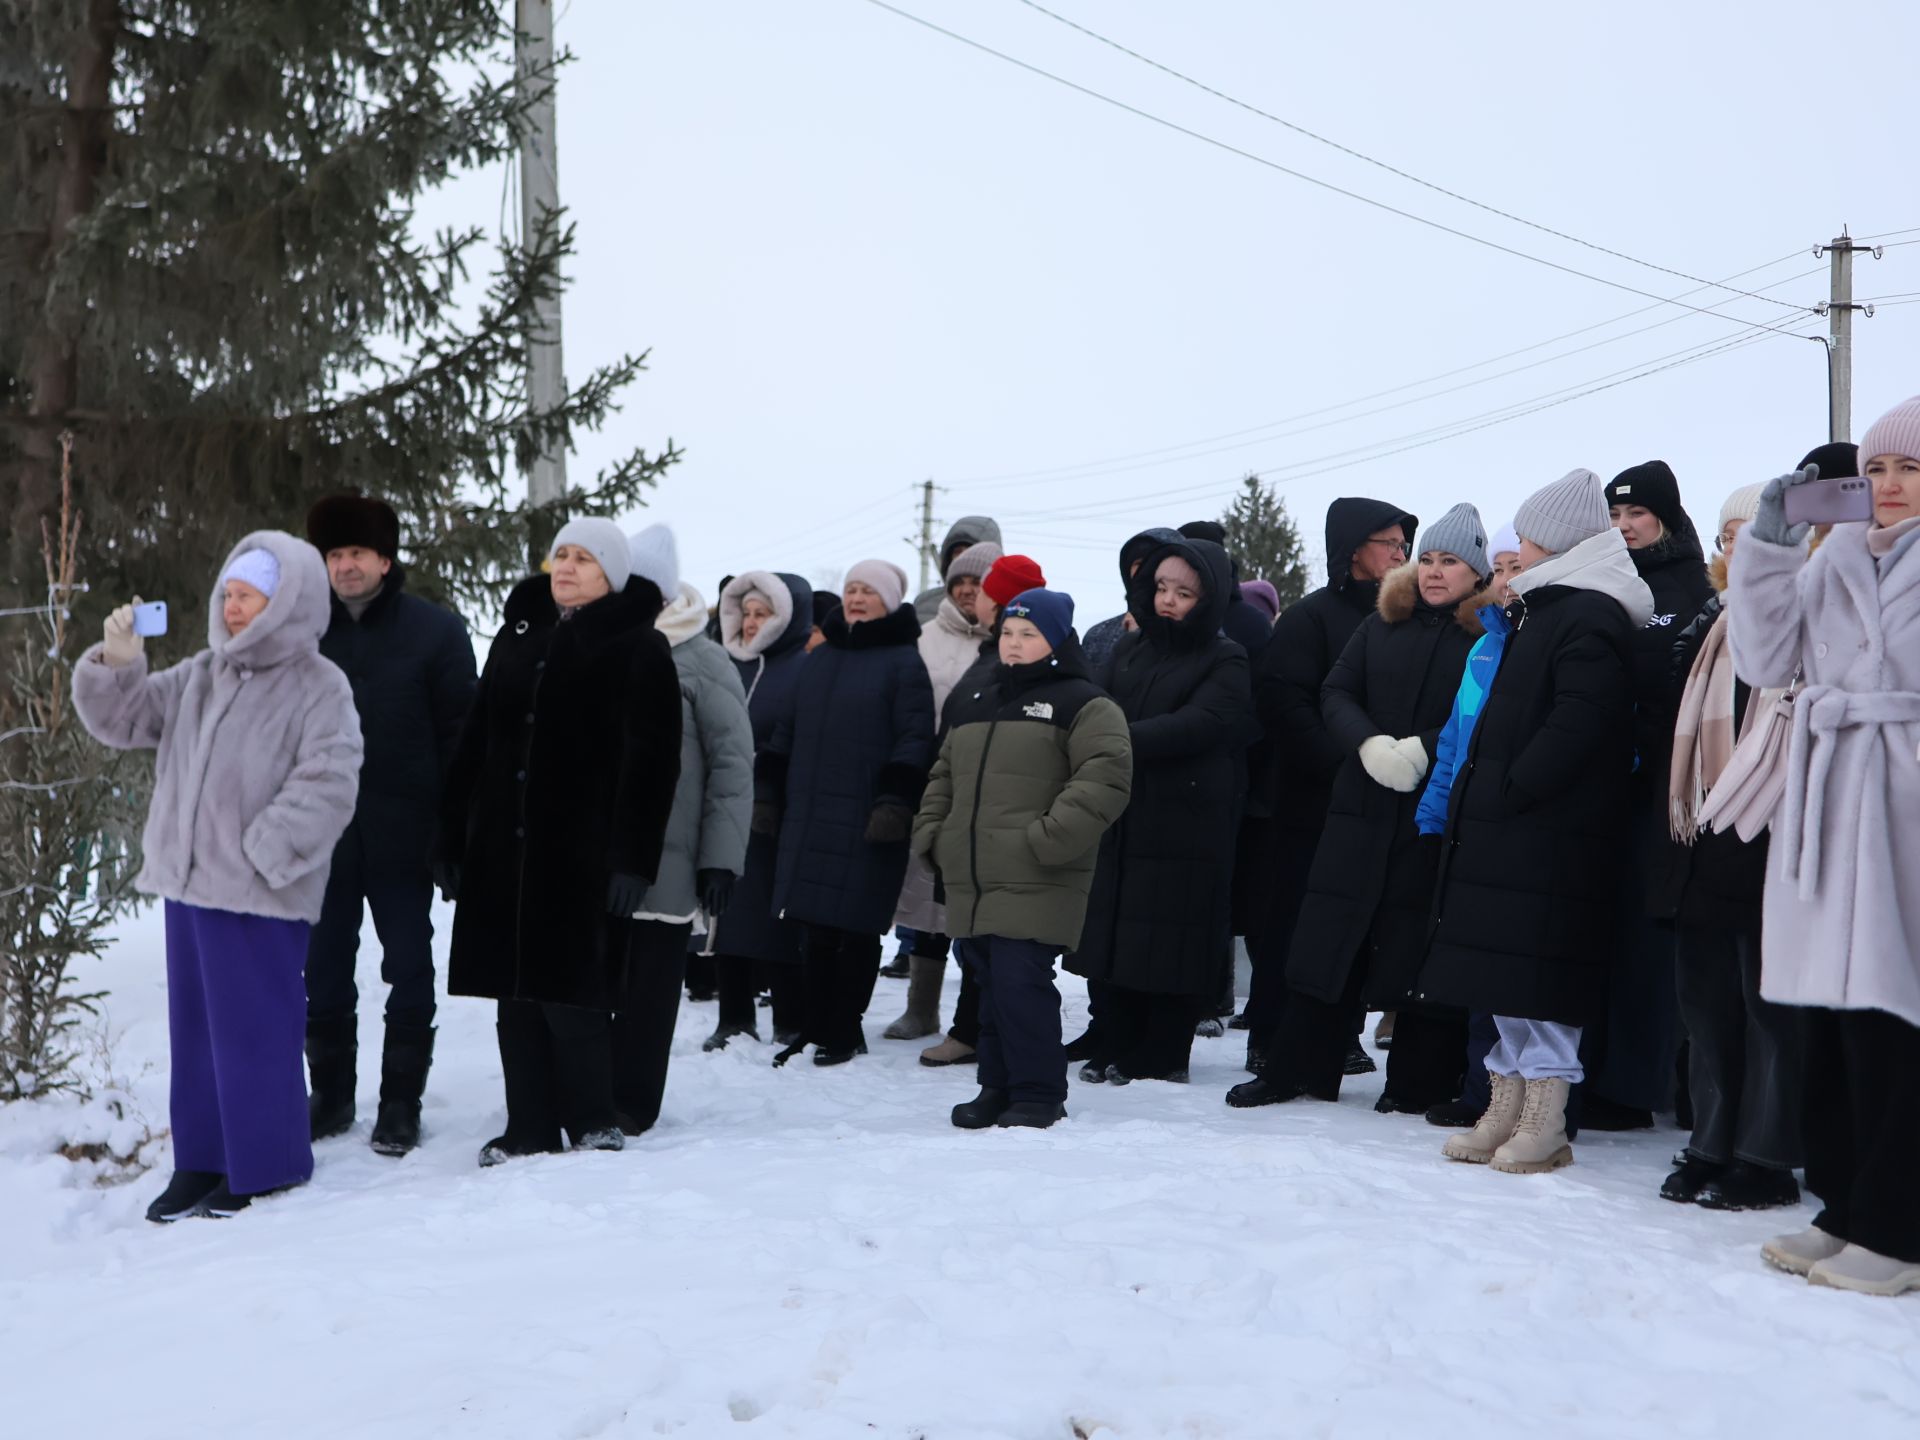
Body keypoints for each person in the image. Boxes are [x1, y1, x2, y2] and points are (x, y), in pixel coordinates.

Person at [74, 533, 363, 1221]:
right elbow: (126, 719)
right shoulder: (203, 673)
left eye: (247, 596)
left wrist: (262, 853)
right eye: (228, 595)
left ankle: (267, 1163)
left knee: (256, 1033)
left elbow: (331, 780)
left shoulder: (320, 685)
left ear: (285, 601)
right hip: (191, 888)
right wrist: (118, 662)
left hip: (261, 892)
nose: (233, 609)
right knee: (199, 1035)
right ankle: (203, 1159)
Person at [1733, 401, 1920, 1296]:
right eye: (1877, 472)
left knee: (1898, 1024)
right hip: (1833, 802)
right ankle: (1847, 1206)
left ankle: (1898, 1229)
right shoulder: (1836, 556)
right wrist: (1768, 552)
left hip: (1907, 811)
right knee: (1833, 1020)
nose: (1888, 489)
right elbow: (1766, 661)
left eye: (1909, 472)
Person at [1421, 468, 1652, 1174]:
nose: (1518, 547)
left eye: (1528, 534)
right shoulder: (1545, 610)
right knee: (1507, 976)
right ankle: (1505, 1104)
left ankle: (1544, 1118)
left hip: (1550, 833)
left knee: (1543, 978)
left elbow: (1581, 719)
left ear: (1555, 540)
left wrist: (1518, 787)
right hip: (1513, 828)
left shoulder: (1588, 613)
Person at [435, 518, 683, 1167]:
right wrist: (451, 838)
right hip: (502, 849)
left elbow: (653, 766)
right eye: (561, 556)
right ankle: (529, 1126)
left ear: (613, 575)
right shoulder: (517, 636)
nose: (567, 567)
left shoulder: (638, 646)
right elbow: (476, 740)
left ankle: (593, 1119)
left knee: (572, 995)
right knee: (514, 998)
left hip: (581, 854)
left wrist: (634, 859)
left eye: (584, 559)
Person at [1228, 505, 1490, 1111]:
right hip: (1359, 803)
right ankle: (1297, 1068)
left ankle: (1417, 1082)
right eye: (1426, 558)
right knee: (1327, 936)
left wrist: (1423, 750)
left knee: (1416, 944)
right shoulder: (1380, 623)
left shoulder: (1484, 634)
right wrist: (1368, 744)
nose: (1431, 571)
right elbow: (1335, 690)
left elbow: (1481, 711)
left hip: (1431, 809)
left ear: (1474, 573)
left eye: (1448, 562)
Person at [916, 588, 1133, 1129]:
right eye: (1008, 633)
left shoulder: (1086, 703)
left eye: (1029, 634)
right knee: (988, 984)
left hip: (1039, 872)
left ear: (1056, 641)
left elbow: (1106, 776)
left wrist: (1047, 839)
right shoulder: (975, 698)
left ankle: (1038, 1093)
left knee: (1020, 982)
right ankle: (996, 1086)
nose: (1014, 644)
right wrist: (934, 835)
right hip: (975, 872)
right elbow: (943, 774)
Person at [301, 493, 477, 1158]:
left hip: (407, 837)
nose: (346, 566)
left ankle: (401, 1102)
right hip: (322, 840)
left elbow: (464, 738)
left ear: (385, 559)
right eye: (335, 555)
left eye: (357, 554)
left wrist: (454, 834)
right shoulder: (302, 635)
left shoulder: (435, 632)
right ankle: (332, 1096)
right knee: (321, 970)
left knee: (409, 967)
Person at [1653, 481, 1803, 1211]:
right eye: (1729, 536)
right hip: (1704, 834)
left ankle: (1765, 1155)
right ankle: (1711, 1140)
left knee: (1767, 1004)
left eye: (1754, 533)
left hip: (1775, 833)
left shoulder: (1806, 619)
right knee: (1706, 1002)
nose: (1739, 547)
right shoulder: (1712, 626)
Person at [1239, 498, 1417, 1076]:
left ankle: (1339, 1034)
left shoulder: (1405, 616)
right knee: (1292, 924)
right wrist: (1340, 762)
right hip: (1312, 803)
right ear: (1352, 549)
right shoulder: (1309, 618)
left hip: (1381, 800)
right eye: (1387, 543)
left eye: (1402, 543)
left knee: (1357, 930)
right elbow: (1283, 703)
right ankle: (1271, 1033)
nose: (1400, 554)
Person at [1067, 536, 1253, 1083]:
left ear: (1211, 597)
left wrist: (1115, 739)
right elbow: (1095, 707)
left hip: (1186, 819)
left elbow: (1204, 723)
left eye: (1185, 592)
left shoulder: (1226, 656)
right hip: (1125, 812)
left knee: (1171, 937)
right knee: (1120, 929)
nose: (1169, 600)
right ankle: (1117, 1038)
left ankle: (1164, 1052)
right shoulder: (1130, 649)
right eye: (1162, 588)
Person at [760, 560, 935, 1066]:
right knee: (814, 923)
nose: (856, 598)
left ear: (892, 602)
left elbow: (914, 737)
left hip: (865, 816)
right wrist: (769, 793)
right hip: (810, 812)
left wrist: (894, 803)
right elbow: (786, 730)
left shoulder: (904, 661)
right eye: (851, 590)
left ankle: (845, 1027)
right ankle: (818, 1023)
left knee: (855, 926)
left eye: (869, 592)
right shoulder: (822, 657)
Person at [1580, 461, 1712, 1130]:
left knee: (1645, 936)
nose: (1625, 526)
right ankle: (1601, 1071)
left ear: (1666, 516)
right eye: (1614, 515)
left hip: (1668, 784)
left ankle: (1636, 1087)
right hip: (1610, 781)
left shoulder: (1689, 584)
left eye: (1637, 514)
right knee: (1603, 928)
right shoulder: (1609, 582)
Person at [610, 527, 754, 1134]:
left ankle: (633, 1104)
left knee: (647, 991)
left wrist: (719, 859)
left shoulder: (700, 656)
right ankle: (588, 1091)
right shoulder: (601, 645)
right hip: (601, 853)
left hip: (671, 858)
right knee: (595, 983)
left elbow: (732, 763)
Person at [918, 551, 1049, 1068]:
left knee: (990, 944)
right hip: (966, 817)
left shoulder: (1011, 660)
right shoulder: (991, 652)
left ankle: (979, 1035)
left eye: (989, 588)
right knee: (971, 937)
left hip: (994, 823)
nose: (979, 597)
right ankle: (973, 1029)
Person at [1418, 522, 1523, 1130]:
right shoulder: (1484, 645)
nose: (1507, 580)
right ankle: (1477, 1085)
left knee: (1510, 969)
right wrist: (1433, 813)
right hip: (1464, 820)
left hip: (1510, 821)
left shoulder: (1536, 640)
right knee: (1473, 961)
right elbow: (1456, 741)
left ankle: (1517, 1095)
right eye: (1502, 568)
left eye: (1516, 565)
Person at [884, 541, 1003, 1039]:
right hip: (934, 779)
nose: (969, 592)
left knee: (977, 905)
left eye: (979, 585)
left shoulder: (1012, 637)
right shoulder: (926, 636)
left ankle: (975, 1017)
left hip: (990, 786)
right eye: (961, 584)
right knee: (928, 901)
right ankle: (921, 1006)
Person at [704, 570, 815, 1050]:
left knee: (779, 915)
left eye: (762, 614)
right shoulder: (724, 663)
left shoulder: (803, 668)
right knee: (726, 909)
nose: (751, 624)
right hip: (724, 807)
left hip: (780, 809)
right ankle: (734, 1016)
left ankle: (790, 1016)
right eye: (745, 613)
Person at [1081, 527, 1181, 673]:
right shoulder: (1099, 636)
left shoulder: (1199, 634)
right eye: (1139, 564)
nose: (1147, 570)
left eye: (1155, 561)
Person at [912, 515, 1003, 623]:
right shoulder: (925, 606)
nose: (964, 556)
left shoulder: (1007, 610)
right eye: (957, 551)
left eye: (972, 550)